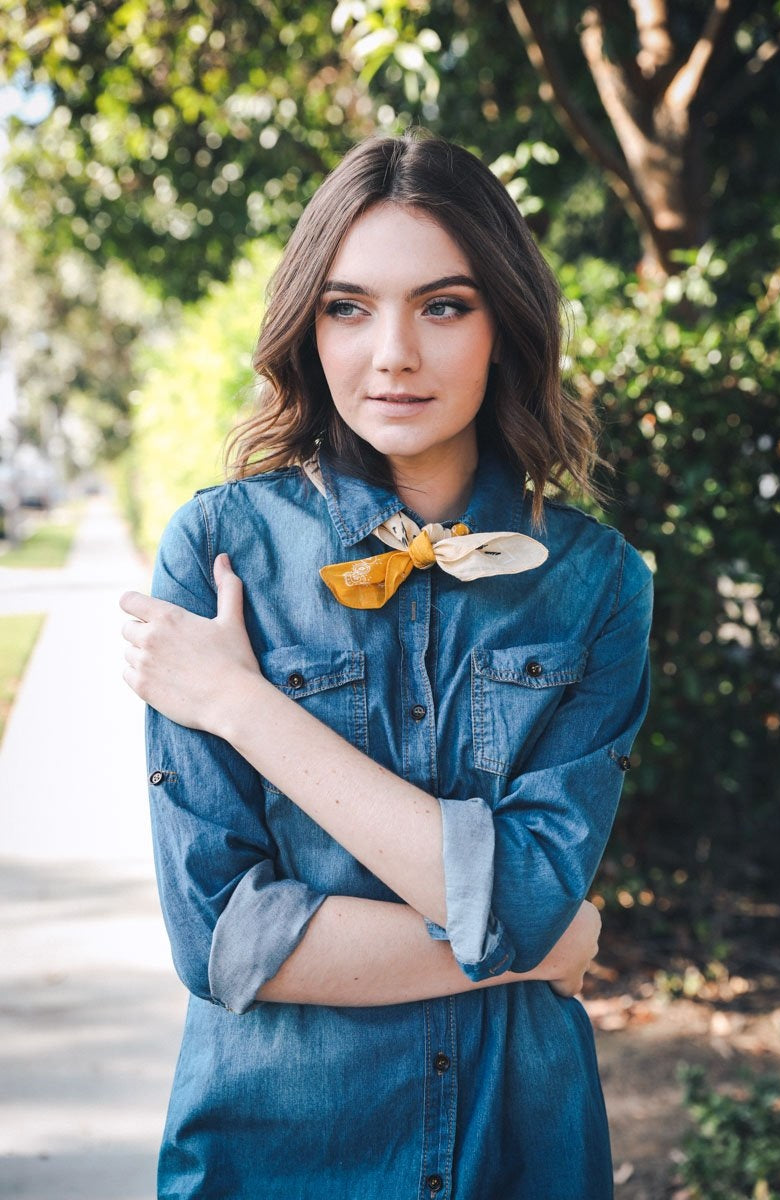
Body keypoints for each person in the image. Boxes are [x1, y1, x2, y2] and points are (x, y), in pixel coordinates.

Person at [120, 130, 652, 1200]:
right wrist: (532, 936)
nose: (392, 354)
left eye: (442, 305)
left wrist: (242, 705)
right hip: (275, 1158)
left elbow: (520, 902)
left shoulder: (596, 582)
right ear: (307, 329)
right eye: (347, 306)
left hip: (523, 1151)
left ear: (503, 323)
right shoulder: (222, 557)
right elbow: (223, 939)